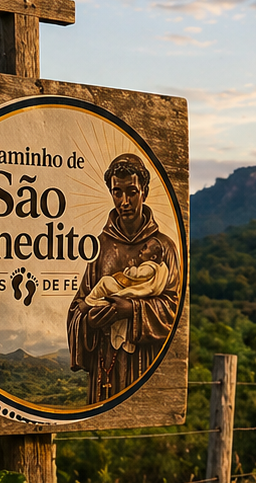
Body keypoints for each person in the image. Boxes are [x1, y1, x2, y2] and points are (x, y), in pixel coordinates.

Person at [67, 153, 181, 403]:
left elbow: (174, 308)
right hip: (105, 360)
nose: (124, 201)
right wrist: (90, 318)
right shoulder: (101, 246)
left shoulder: (165, 247)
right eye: (117, 192)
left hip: (144, 360)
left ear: (145, 192)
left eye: (131, 191)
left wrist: (131, 309)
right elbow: (79, 307)